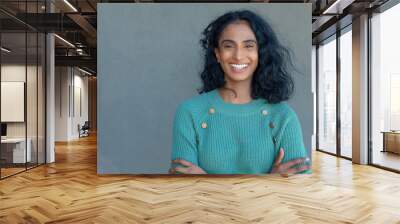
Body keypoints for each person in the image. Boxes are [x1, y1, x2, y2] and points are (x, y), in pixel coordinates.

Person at [169, 10, 310, 175]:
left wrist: (205, 181)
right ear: (217, 54)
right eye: (228, 46)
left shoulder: (283, 116)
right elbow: (183, 189)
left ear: (260, 53)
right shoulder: (189, 112)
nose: (238, 55)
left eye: (248, 46)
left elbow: (297, 191)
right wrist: (270, 181)